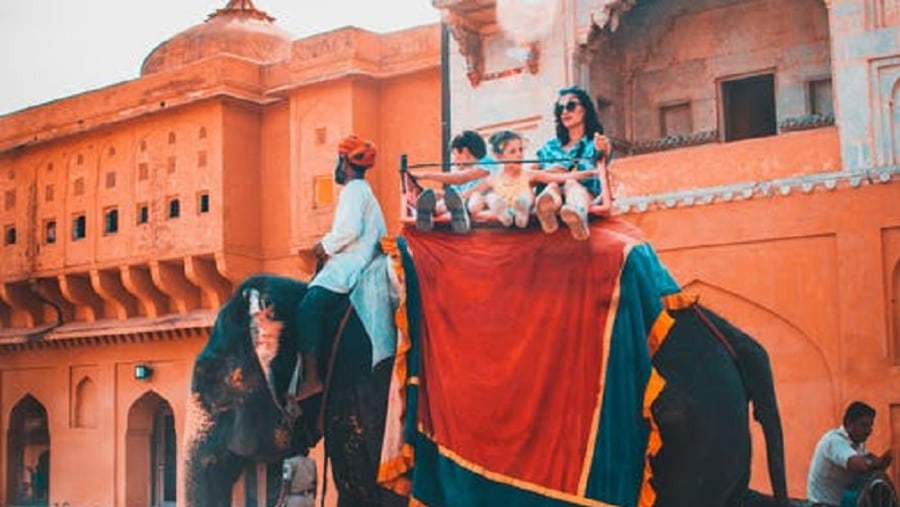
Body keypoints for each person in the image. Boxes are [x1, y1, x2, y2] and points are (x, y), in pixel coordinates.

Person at [294, 134, 387, 401]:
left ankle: (312, 379)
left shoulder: (353, 190)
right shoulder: (364, 192)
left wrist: (323, 246)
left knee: (308, 307)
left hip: (351, 266)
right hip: (359, 261)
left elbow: (348, 230)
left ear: (344, 163)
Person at [467, 130, 599, 229]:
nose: (519, 154)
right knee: (488, 197)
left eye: (520, 150)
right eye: (512, 152)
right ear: (499, 156)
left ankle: (521, 210)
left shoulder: (529, 174)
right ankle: (503, 213)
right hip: (504, 213)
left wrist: (589, 173)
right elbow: (470, 193)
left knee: (527, 194)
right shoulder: (492, 179)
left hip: (524, 212)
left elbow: (559, 178)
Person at [534, 86, 613, 240]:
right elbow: (530, 173)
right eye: (560, 108)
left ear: (584, 110)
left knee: (571, 184)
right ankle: (547, 213)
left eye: (570, 106)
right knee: (552, 186)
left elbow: (602, 153)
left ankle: (576, 215)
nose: (565, 112)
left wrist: (602, 149)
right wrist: (549, 174)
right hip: (554, 190)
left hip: (585, 194)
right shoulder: (549, 147)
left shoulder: (593, 142)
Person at [806, 401, 893, 507]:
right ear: (849, 423)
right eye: (864, 425)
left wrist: (879, 464)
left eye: (870, 426)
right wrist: (876, 463)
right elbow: (859, 465)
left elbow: (870, 465)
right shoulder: (834, 441)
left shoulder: (857, 445)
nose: (869, 431)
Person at [411, 130, 496, 234]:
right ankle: (427, 216)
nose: (454, 161)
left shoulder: (487, 162)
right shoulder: (461, 172)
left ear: (465, 152)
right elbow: (452, 195)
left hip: (478, 201)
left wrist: (425, 175)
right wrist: (432, 194)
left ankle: (453, 215)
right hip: (462, 201)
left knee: (458, 202)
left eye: (455, 155)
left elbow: (461, 178)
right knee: (443, 203)